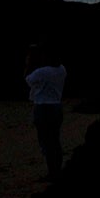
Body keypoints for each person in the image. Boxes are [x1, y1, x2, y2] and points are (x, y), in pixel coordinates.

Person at [26, 47, 70, 177]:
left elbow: (27, 79)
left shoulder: (42, 72)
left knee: (46, 140)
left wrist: (29, 63)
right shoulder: (62, 69)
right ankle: (56, 169)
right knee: (55, 140)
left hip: (43, 107)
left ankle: (52, 171)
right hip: (56, 106)